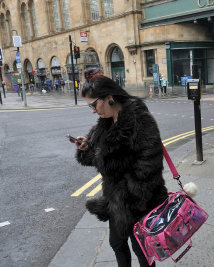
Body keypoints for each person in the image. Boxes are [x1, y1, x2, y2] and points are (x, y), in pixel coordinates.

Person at [70, 67, 168, 267]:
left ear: (109, 98)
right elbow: (96, 159)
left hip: (139, 201)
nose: (93, 110)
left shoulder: (140, 120)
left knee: (140, 248)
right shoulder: (103, 123)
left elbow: (150, 166)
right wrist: (86, 148)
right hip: (117, 201)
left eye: (94, 104)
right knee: (117, 243)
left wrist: (130, 199)